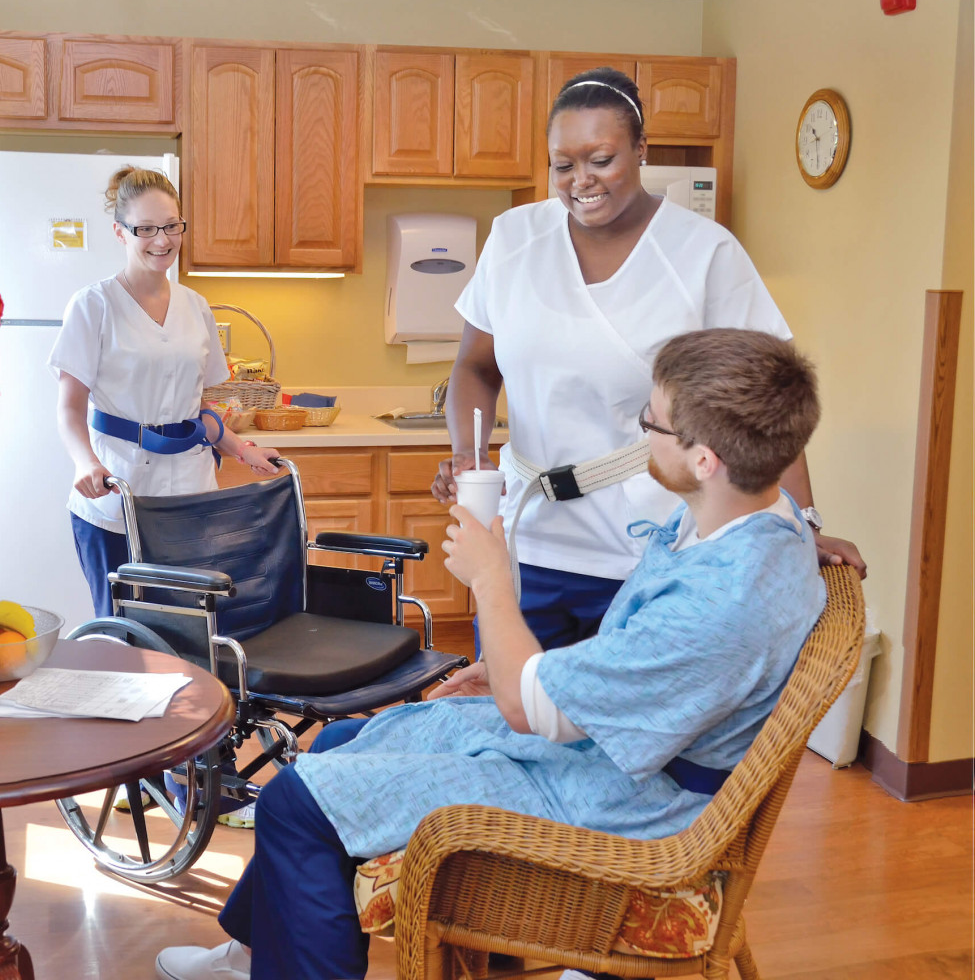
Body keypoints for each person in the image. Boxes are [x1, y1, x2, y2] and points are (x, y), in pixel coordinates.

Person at [156, 328, 829, 980]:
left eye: (649, 422)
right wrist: (508, 670)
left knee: (290, 803)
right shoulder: (758, 521)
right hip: (615, 751)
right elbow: (628, 669)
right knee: (342, 743)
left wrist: (490, 581)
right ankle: (256, 958)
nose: (637, 432)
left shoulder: (721, 600)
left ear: (706, 458)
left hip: (621, 805)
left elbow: (534, 710)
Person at [433, 67, 863, 656]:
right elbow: (475, 369)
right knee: (513, 717)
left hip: (651, 547)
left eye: (601, 159)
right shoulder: (514, 239)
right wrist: (466, 453)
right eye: (563, 164)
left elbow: (767, 406)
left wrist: (800, 525)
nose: (581, 180)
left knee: (626, 734)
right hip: (526, 541)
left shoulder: (704, 252)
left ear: (640, 150)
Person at [50, 165, 281, 620]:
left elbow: (197, 405)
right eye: (146, 229)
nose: (163, 240)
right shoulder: (93, 305)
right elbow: (69, 409)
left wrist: (241, 448)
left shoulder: (196, 306)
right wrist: (85, 463)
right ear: (120, 232)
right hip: (118, 495)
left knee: (191, 628)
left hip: (190, 500)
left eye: (172, 226)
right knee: (125, 634)